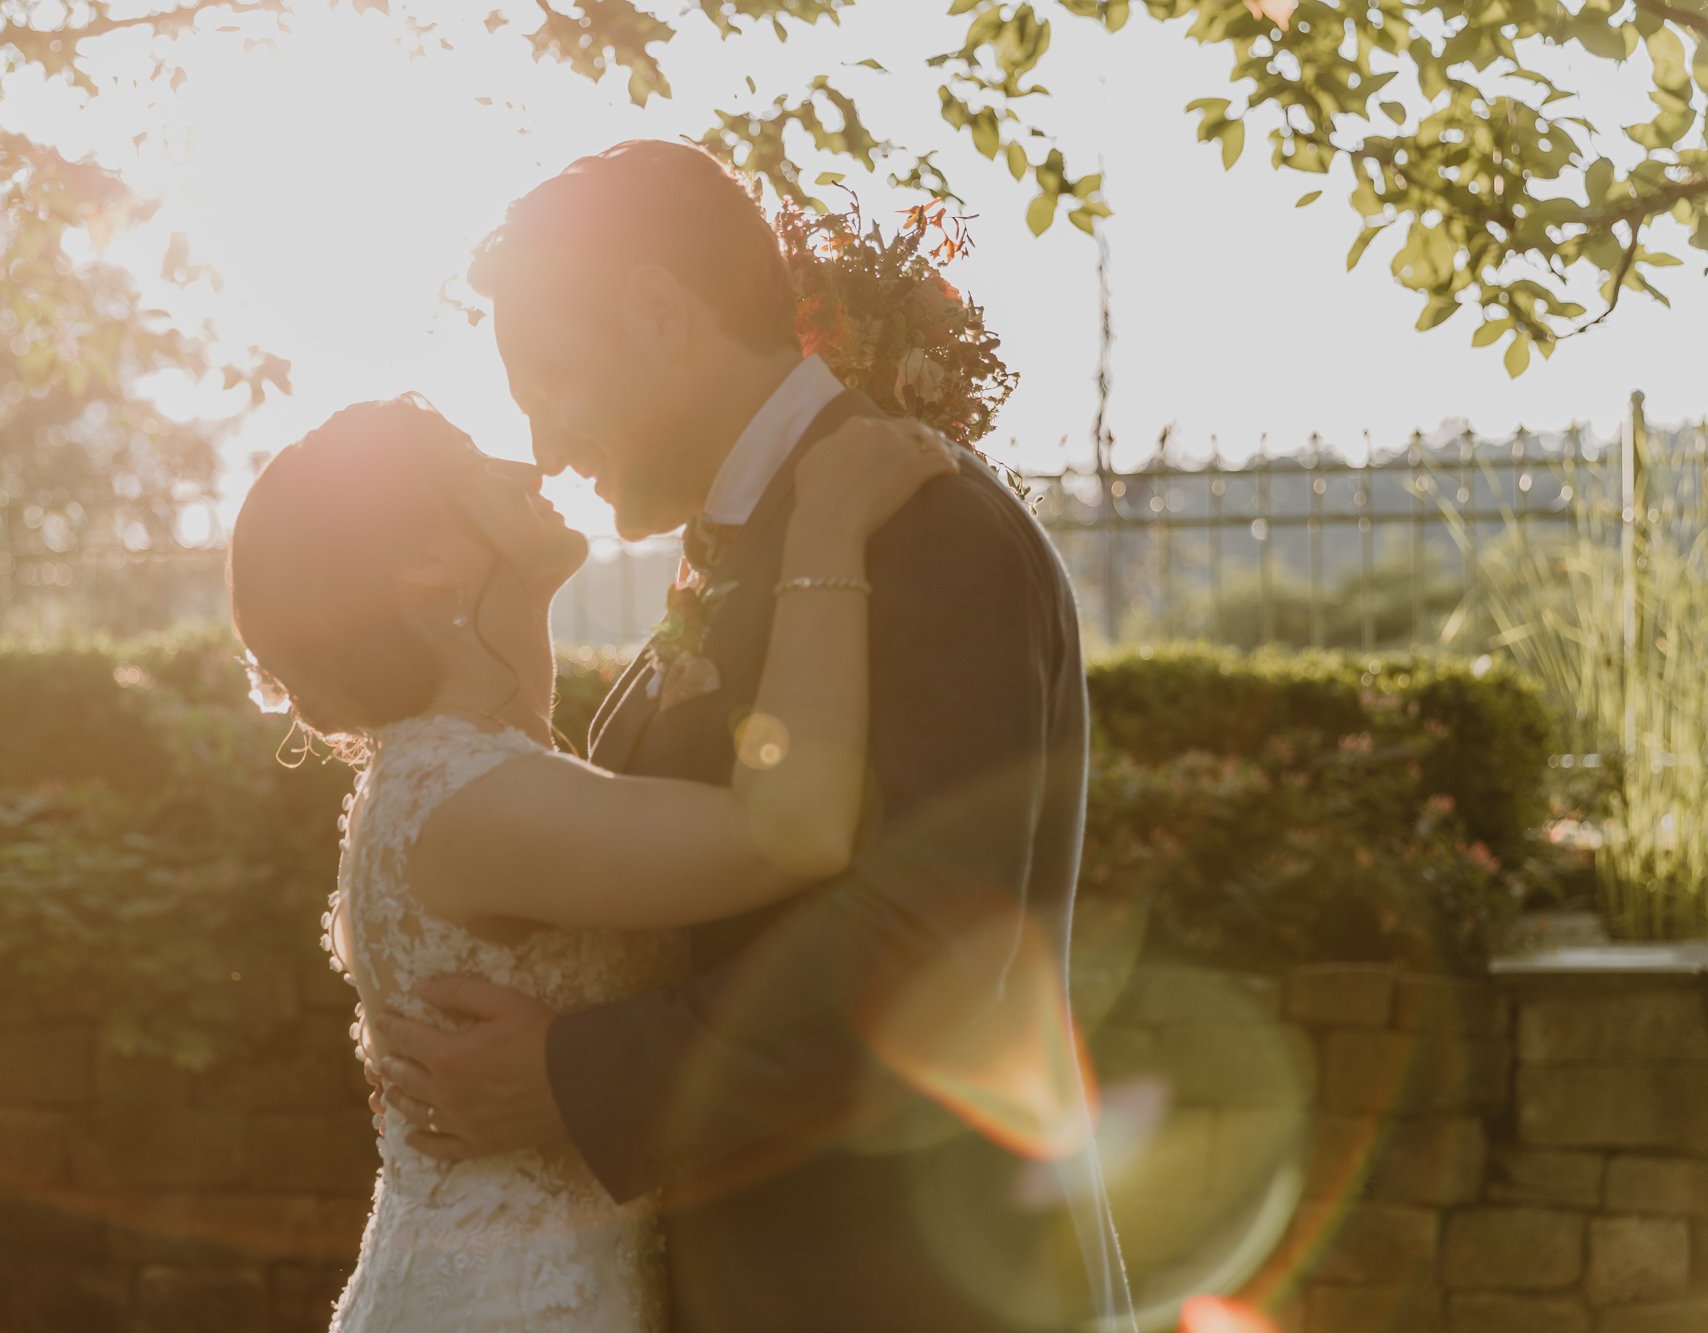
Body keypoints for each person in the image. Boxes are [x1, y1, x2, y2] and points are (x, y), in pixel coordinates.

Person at [372, 140, 1135, 1332]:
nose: (548, 444)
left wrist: (572, 1077)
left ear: (656, 312)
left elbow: (920, 948)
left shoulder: (923, 530)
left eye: (547, 384)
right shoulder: (754, 543)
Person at [227, 392, 957, 1331]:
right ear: (425, 562)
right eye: (473, 460)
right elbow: (799, 828)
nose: (527, 466)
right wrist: (827, 529)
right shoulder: (466, 796)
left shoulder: (467, 773)